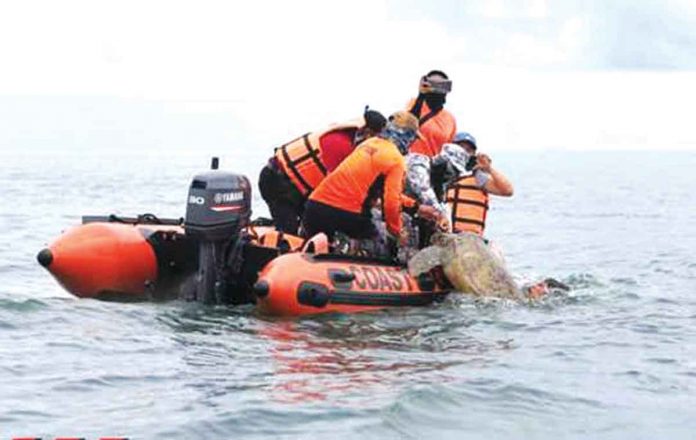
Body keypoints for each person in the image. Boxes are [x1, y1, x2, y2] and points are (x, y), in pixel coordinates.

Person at [302, 111, 421, 248]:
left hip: (314, 207)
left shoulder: (368, 143)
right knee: (381, 247)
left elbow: (377, 189)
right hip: (348, 214)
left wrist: (415, 206)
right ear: (407, 136)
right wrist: (397, 232)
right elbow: (390, 203)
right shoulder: (396, 159)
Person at [258, 108, 387, 234]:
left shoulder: (348, 137)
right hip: (278, 184)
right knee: (291, 234)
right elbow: (338, 190)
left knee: (315, 228)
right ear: (368, 133)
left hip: (295, 187)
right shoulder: (340, 145)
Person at [444, 132, 514, 236]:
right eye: (460, 148)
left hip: (471, 237)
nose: (464, 153)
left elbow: (508, 191)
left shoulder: (477, 177)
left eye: (468, 150)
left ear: (473, 154)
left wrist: (489, 169)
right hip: (444, 234)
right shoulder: (440, 172)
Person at [407, 70, 457, 157]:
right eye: (433, 84)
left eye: (441, 85)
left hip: (433, 166)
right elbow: (409, 124)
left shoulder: (450, 119)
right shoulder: (415, 103)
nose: (436, 88)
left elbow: (449, 148)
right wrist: (421, 95)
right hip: (411, 161)